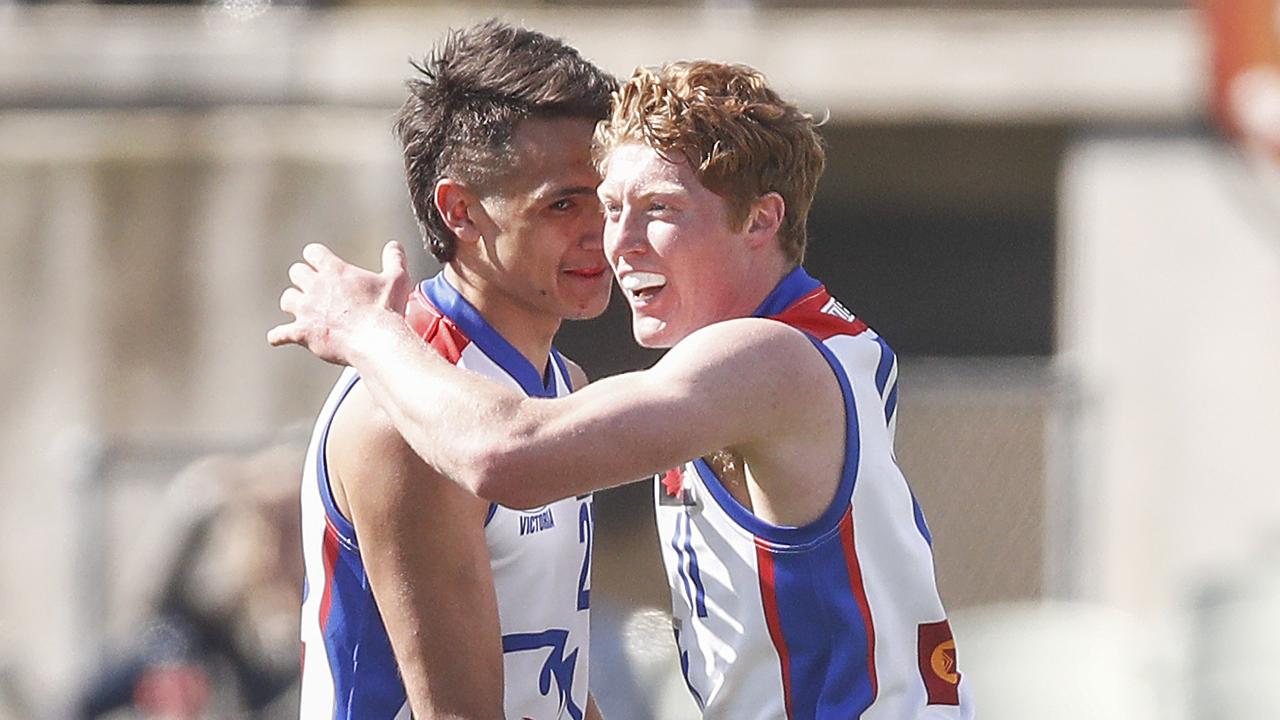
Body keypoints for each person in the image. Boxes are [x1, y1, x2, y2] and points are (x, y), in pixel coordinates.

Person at [272, 60, 975, 718]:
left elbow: (508, 454)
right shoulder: (818, 344)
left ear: (762, 220)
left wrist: (366, 332)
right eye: (608, 207)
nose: (618, 243)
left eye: (659, 209)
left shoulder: (762, 359)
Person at [292, 21, 613, 719]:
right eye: (563, 203)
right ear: (460, 211)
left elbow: (556, 674)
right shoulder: (409, 424)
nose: (601, 228)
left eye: (605, 195)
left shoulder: (565, 385)